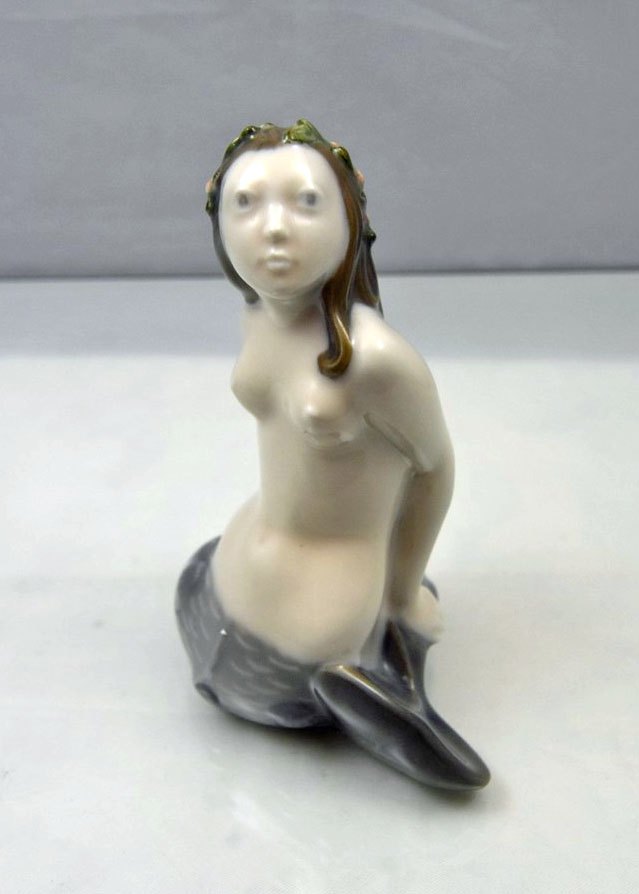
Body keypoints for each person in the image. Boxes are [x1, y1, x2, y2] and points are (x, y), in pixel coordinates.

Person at [176, 120, 489, 790]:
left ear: (351, 216)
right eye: (245, 203)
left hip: (325, 589)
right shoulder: (260, 314)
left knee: (275, 693)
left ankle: (378, 685)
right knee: (195, 605)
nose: (274, 229)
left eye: (306, 202)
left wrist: (402, 594)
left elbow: (433, 469)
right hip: (246, 547)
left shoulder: (377, 361)